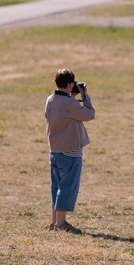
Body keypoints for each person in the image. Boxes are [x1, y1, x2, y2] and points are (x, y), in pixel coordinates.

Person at [45, 68, 95, 234]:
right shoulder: (70, 103)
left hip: (55, 150)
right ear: (70, 84)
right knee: (67, 186)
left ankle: (54, 221)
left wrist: (71, 96)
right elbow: (89, 114)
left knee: (56, 186)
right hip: (70, 151)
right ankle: (61, 223)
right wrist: (84, 96)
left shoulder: (50, 100)